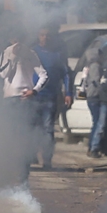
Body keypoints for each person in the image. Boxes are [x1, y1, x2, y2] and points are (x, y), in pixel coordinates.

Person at [0, 36, 48, 174]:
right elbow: (3, 74)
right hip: (10, 98)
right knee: (11, 133)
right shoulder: (6, 53)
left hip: (26, 99)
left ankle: (25, 163)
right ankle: (12, 164)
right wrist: (13, 56)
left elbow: (44, 75)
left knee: (25, 133)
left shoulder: (30, 53)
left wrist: (35, 90)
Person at [29, 27, 72, 170]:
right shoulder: (32, 52)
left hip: (50, 97)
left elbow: (66, 74)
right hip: (33, 97)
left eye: (47, 35)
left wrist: (68, 93)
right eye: (42, 35)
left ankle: (47, 160)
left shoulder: (57, 55)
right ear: (38, 36)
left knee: (48, 129)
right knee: (33, 128)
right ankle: (31, 155)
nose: (45, 38)